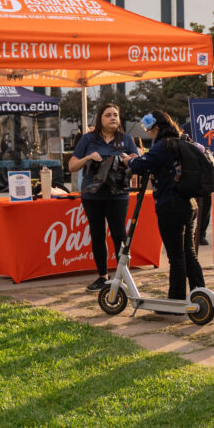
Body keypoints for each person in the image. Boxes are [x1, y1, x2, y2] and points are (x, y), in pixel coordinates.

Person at [125, 111, 205, 304]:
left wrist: (130, 160)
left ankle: (175, 301)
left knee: (176, 256)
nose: (149, 133)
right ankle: (200, 293)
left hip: (171, 206)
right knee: (188, 253)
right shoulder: (181, 141)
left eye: (149, 130)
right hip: (189, 204)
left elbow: (141, 165)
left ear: (157, 128)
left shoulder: (163, 145)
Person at [68, 103, 138, 292]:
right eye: (108, 115)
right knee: (97, 235)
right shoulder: (88, 139)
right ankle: (102, 277)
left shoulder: (126, 139)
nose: (113, 118)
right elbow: (72, 166)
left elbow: (138, 166)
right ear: (100, 118)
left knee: (119, 236)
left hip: (118, 195)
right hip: (92, 195)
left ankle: (123, 278)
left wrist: (129, 160)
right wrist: (88, 157)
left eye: (116, 114)